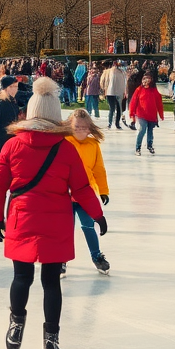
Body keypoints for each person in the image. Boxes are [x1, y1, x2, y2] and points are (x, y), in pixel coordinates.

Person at [0, 69, 105, 349]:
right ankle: (51, 340)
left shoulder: (12, 146)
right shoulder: (65, 149)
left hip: (21, 219)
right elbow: (80, 187)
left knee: (21, 277)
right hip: (56, 222)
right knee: (51, 282)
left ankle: (16, 324)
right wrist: (97, 214)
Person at [64, 108, 110, 276]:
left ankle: (97, 256)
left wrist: (103, 190)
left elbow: (99, 169)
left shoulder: (93, 145)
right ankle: (61, 260)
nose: (80, 130)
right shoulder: (64, 142)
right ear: (70, 126)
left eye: (84, 127)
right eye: (77, 127)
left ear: (90, 128)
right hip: (65, 194)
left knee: (89, 226)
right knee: (65, 229)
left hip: (85, 194)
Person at [128, 72, 164, 156]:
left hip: (152, 115)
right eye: (144, 79)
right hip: (141, 114)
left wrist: (161, 114)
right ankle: (138, 148)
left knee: (150, 131)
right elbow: (133, 102)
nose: (146, 81)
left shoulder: (154, 91)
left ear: (151, 80)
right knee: (142, 129)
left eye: (148, 79)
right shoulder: (139, 90)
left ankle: (150, 146)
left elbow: (159, 103)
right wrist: (132, 114)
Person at [0, 76, 21, 161]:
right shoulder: (1, 103)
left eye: (16, 86)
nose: (14, 89)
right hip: (1, 144)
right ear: (5, 88)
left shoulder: (13, 102)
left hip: (12, 143)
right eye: (11, 86)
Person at [104, 60, 127, 130]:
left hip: (119, 92)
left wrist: (124, 92)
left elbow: (124, 83)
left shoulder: (123, 72)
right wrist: (105, 90)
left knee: (119, 109)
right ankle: (110, 123)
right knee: (112, 108)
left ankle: (117, 123)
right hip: (110, 92)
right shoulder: (109, 71)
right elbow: (106, 81)